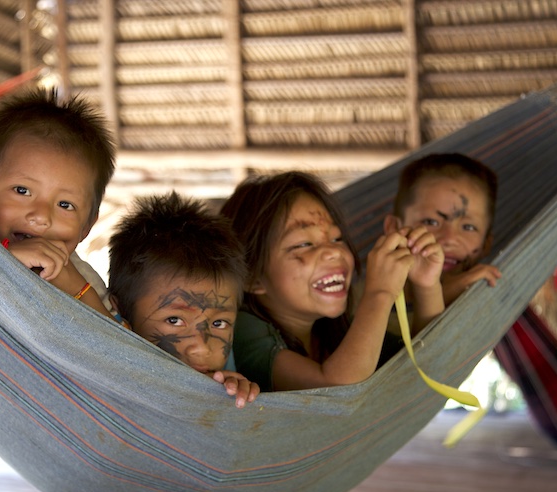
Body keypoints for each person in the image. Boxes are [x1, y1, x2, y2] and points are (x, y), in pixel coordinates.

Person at [220, 171, 445, 392]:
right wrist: (380, 293)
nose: (334, 251)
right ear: (251, 278)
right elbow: (335, 391)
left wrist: (426, 285)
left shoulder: (336, 330)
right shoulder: (238, 329)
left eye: (337, 238)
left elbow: (427, 363)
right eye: (304, 244)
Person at [0, 88, 116, 318]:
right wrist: (1, 262)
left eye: (65, 205)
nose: (42, 216)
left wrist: (76, 288)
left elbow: (117, 339)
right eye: (22, 191)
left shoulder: (82, 277)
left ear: (86, 227)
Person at [107, 192, 260, 408]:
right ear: (121, 312)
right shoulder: (106, 373)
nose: (202, 348)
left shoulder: (225, 374)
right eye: (175, 320)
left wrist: (236, 393)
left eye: (219, 323)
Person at [384, 153, 502, 305]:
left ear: (486, 244)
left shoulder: (496, 302)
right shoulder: (367, 301)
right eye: (431, 222)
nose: (449, 239)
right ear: (393, 228)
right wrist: (440, 298)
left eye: (468, 227)